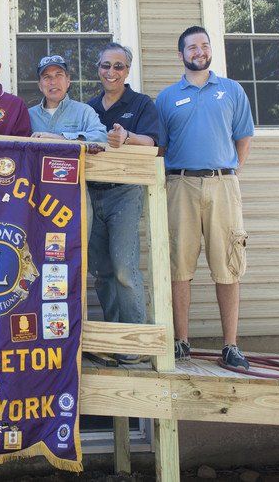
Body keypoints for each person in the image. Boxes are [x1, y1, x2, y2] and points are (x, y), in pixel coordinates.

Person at [156, 25, 254, 369]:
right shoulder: (167, 97)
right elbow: (161, 147)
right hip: (181, 184)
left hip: (223, 184)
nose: (199, 51)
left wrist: (231, 172)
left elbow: (243, 136)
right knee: (179, 264)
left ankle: (230, 345)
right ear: (180, 53)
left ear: (210, 50)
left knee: (228, 262)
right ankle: (181, 341)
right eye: (192, 47)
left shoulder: (231, 90)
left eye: (204, 45)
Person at [85, 43, 164, 365]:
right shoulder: (89, 107)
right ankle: (115, 341)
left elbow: (156, 145)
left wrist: (128, 137)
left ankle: (136, 343)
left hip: (125, 193)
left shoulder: (142, 104)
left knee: (124, 269)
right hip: (91, 193)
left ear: (127, 71)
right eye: (106, 66)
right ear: (98, 69)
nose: (111, 72)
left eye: (118, 66)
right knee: (102, 272)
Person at [28, 55, 107, 143]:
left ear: (68, 81)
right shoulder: (29, 115)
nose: (53, 82)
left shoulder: (84, 112)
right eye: (46, 77)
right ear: (40, 86)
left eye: (59, 75)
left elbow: (102, 137)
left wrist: (63, 138)